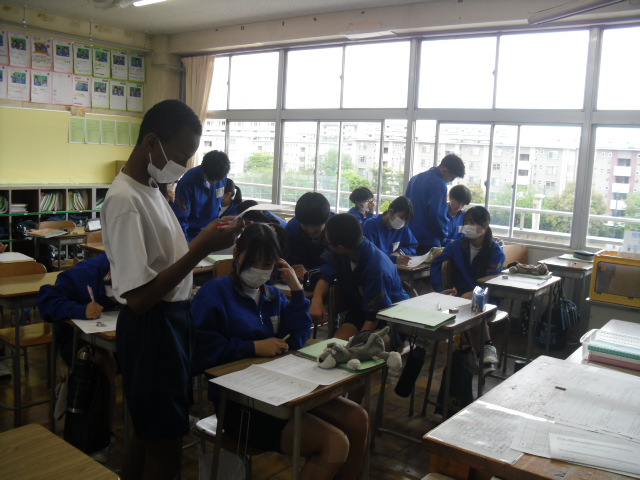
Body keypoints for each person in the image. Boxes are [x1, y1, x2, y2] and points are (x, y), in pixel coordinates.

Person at [101, 99, 242, 480]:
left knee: (150, 433)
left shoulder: (151, 188)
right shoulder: (125, 200)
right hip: (153, 328)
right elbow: (139, 298)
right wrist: (200, 249)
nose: (181, 166)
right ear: (151, 142)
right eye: (180, 157)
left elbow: (166, 262)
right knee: (165, 447)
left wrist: (205, 239)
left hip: (172, 321)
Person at [192, 223, 368, 480]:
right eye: (252, 262)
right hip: (240, 405)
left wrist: (297, 292)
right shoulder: (214, 293)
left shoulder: (273, 296)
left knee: (357, 418)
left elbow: (296, 340)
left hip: (284, 390)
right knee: (334, 443)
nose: (259, 270)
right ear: (236, 253)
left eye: (267, 264)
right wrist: (251, 347)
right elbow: (199, 352)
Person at [37, 253, 118, 459]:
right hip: (77, 340)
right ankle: (100, 436)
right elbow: (46, 299)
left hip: (115, 336)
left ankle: (150, 427)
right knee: (103, 361)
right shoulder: (87, 272)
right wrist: (81, 309)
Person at [430, 206, 505, 373]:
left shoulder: (496, 251)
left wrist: (475, 293)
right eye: (466, 223)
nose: (468, 227)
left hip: (488, 298)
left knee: (470, 303)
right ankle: (485, 350)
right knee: (467, 303)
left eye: (473, 223)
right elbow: (437, 265)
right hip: (461, 296)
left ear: (486, 225)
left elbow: (491, 282)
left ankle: (481, 352)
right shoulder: (456, 246)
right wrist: (442, 289)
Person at [311, 213, 409, 341]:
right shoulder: (343, 252)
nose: (327, 245)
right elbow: (327, 275)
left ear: (340, 247)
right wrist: (317, 299)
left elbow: (374, 317)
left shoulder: (376, 269)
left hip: (388, 319)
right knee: (336, 345)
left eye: (328, 243)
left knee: (370, 347)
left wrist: (357, 343)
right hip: (359, 312)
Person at [405, 154, 466, 254]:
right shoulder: (439, 184)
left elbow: (405, 205)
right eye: (452, 178)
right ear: (445, 170)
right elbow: (437, 215)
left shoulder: (415, 178)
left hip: (410, 237)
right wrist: (444, 234)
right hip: (428, 240)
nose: (450, 181)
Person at [170, 149, 231, 241]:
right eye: (212, 179)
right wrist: (185, 244)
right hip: (192, 235)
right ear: (203, 167)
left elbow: (217, 203)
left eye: (218, 180)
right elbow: (181, 218)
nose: (215, 182)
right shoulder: (187, 183)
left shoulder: (221, 175)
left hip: (212, 230)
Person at [285, 192, 332, 282]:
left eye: (316, 226)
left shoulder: (337, 229)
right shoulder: (291, 229)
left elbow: (338, 263)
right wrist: (292, 270)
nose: (311, 231)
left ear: (327, 218)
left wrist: (312, 272)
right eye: (305, 225)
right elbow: (289, 258)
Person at [362, 195, 418, 266]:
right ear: (391, 212)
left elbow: (412, 247)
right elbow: (370, 253)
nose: (403, 222)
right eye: (401, 217)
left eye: (406, 219)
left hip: (398, 268)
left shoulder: (403, 228)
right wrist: (394, 259)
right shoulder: (371, 225)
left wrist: (399, 253)